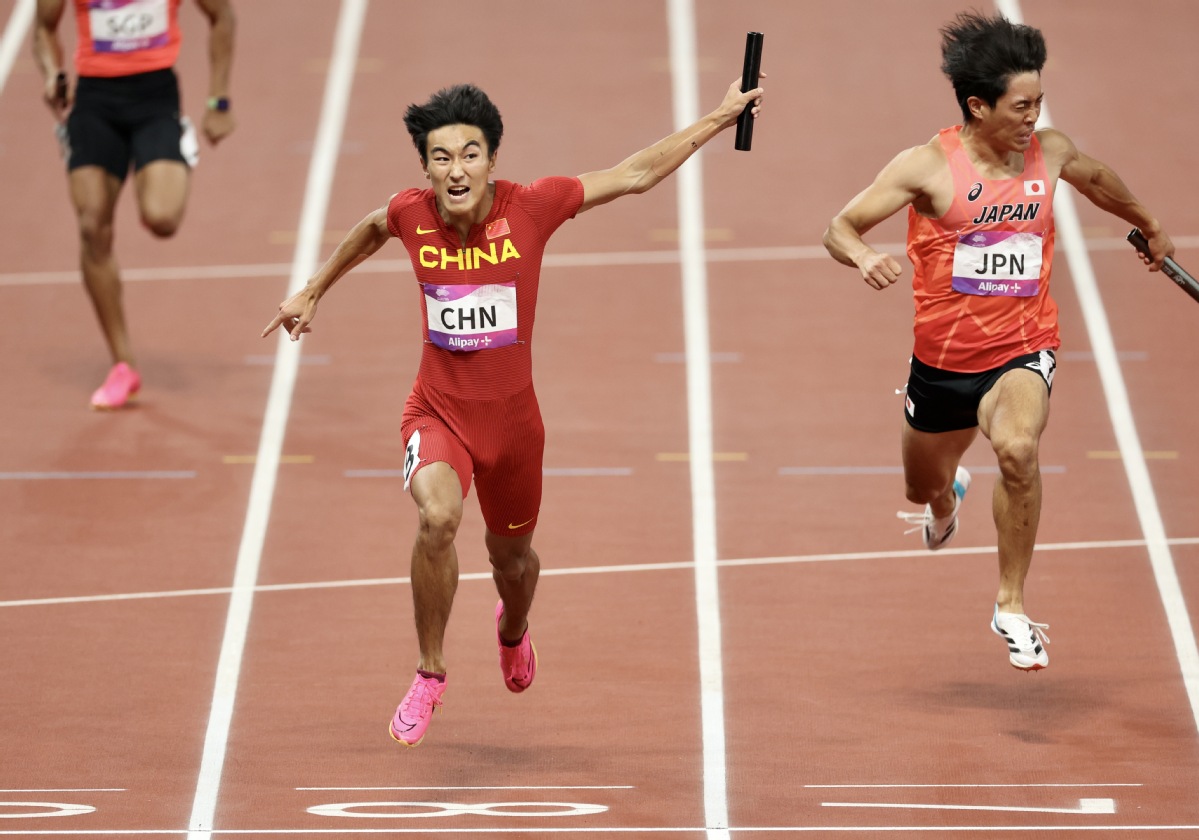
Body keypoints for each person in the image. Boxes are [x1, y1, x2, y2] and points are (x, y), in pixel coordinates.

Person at [262, 79, 765, 745]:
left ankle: (512, 628)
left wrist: (718, 116)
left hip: (514, 431)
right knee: (437, 518)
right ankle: (430, 673)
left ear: (491, 161)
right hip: (436, 413)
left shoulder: (532, 207)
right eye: (441, 157)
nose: (456, 169)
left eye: (469, 154)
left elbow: (635, 174)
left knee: (514, 563)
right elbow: (371, 228)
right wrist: (311, 290)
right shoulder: (411, 213)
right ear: (425, 168)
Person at [822, 12, 1173, 672]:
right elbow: (839, 226)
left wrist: (1149, 223)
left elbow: (1096, 180)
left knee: (1017, 448)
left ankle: (1009, 603)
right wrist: (861, 256)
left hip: (1021, 346)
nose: (1031, 118)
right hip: (940, 364)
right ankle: (943, 497)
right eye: (1020, 106)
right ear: (977, 105)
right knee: (919, 486)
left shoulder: (1050, 152)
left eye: (1038, 103)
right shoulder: (926, 167)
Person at [33, 0, 236, 409]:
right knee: (92, 227)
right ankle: (122, 363)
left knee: (162, 218)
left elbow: (222, 17)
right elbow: (43, 27)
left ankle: (177, 141)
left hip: (155, 99)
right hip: (94, 103)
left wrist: (218, 101)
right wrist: (52, 72)